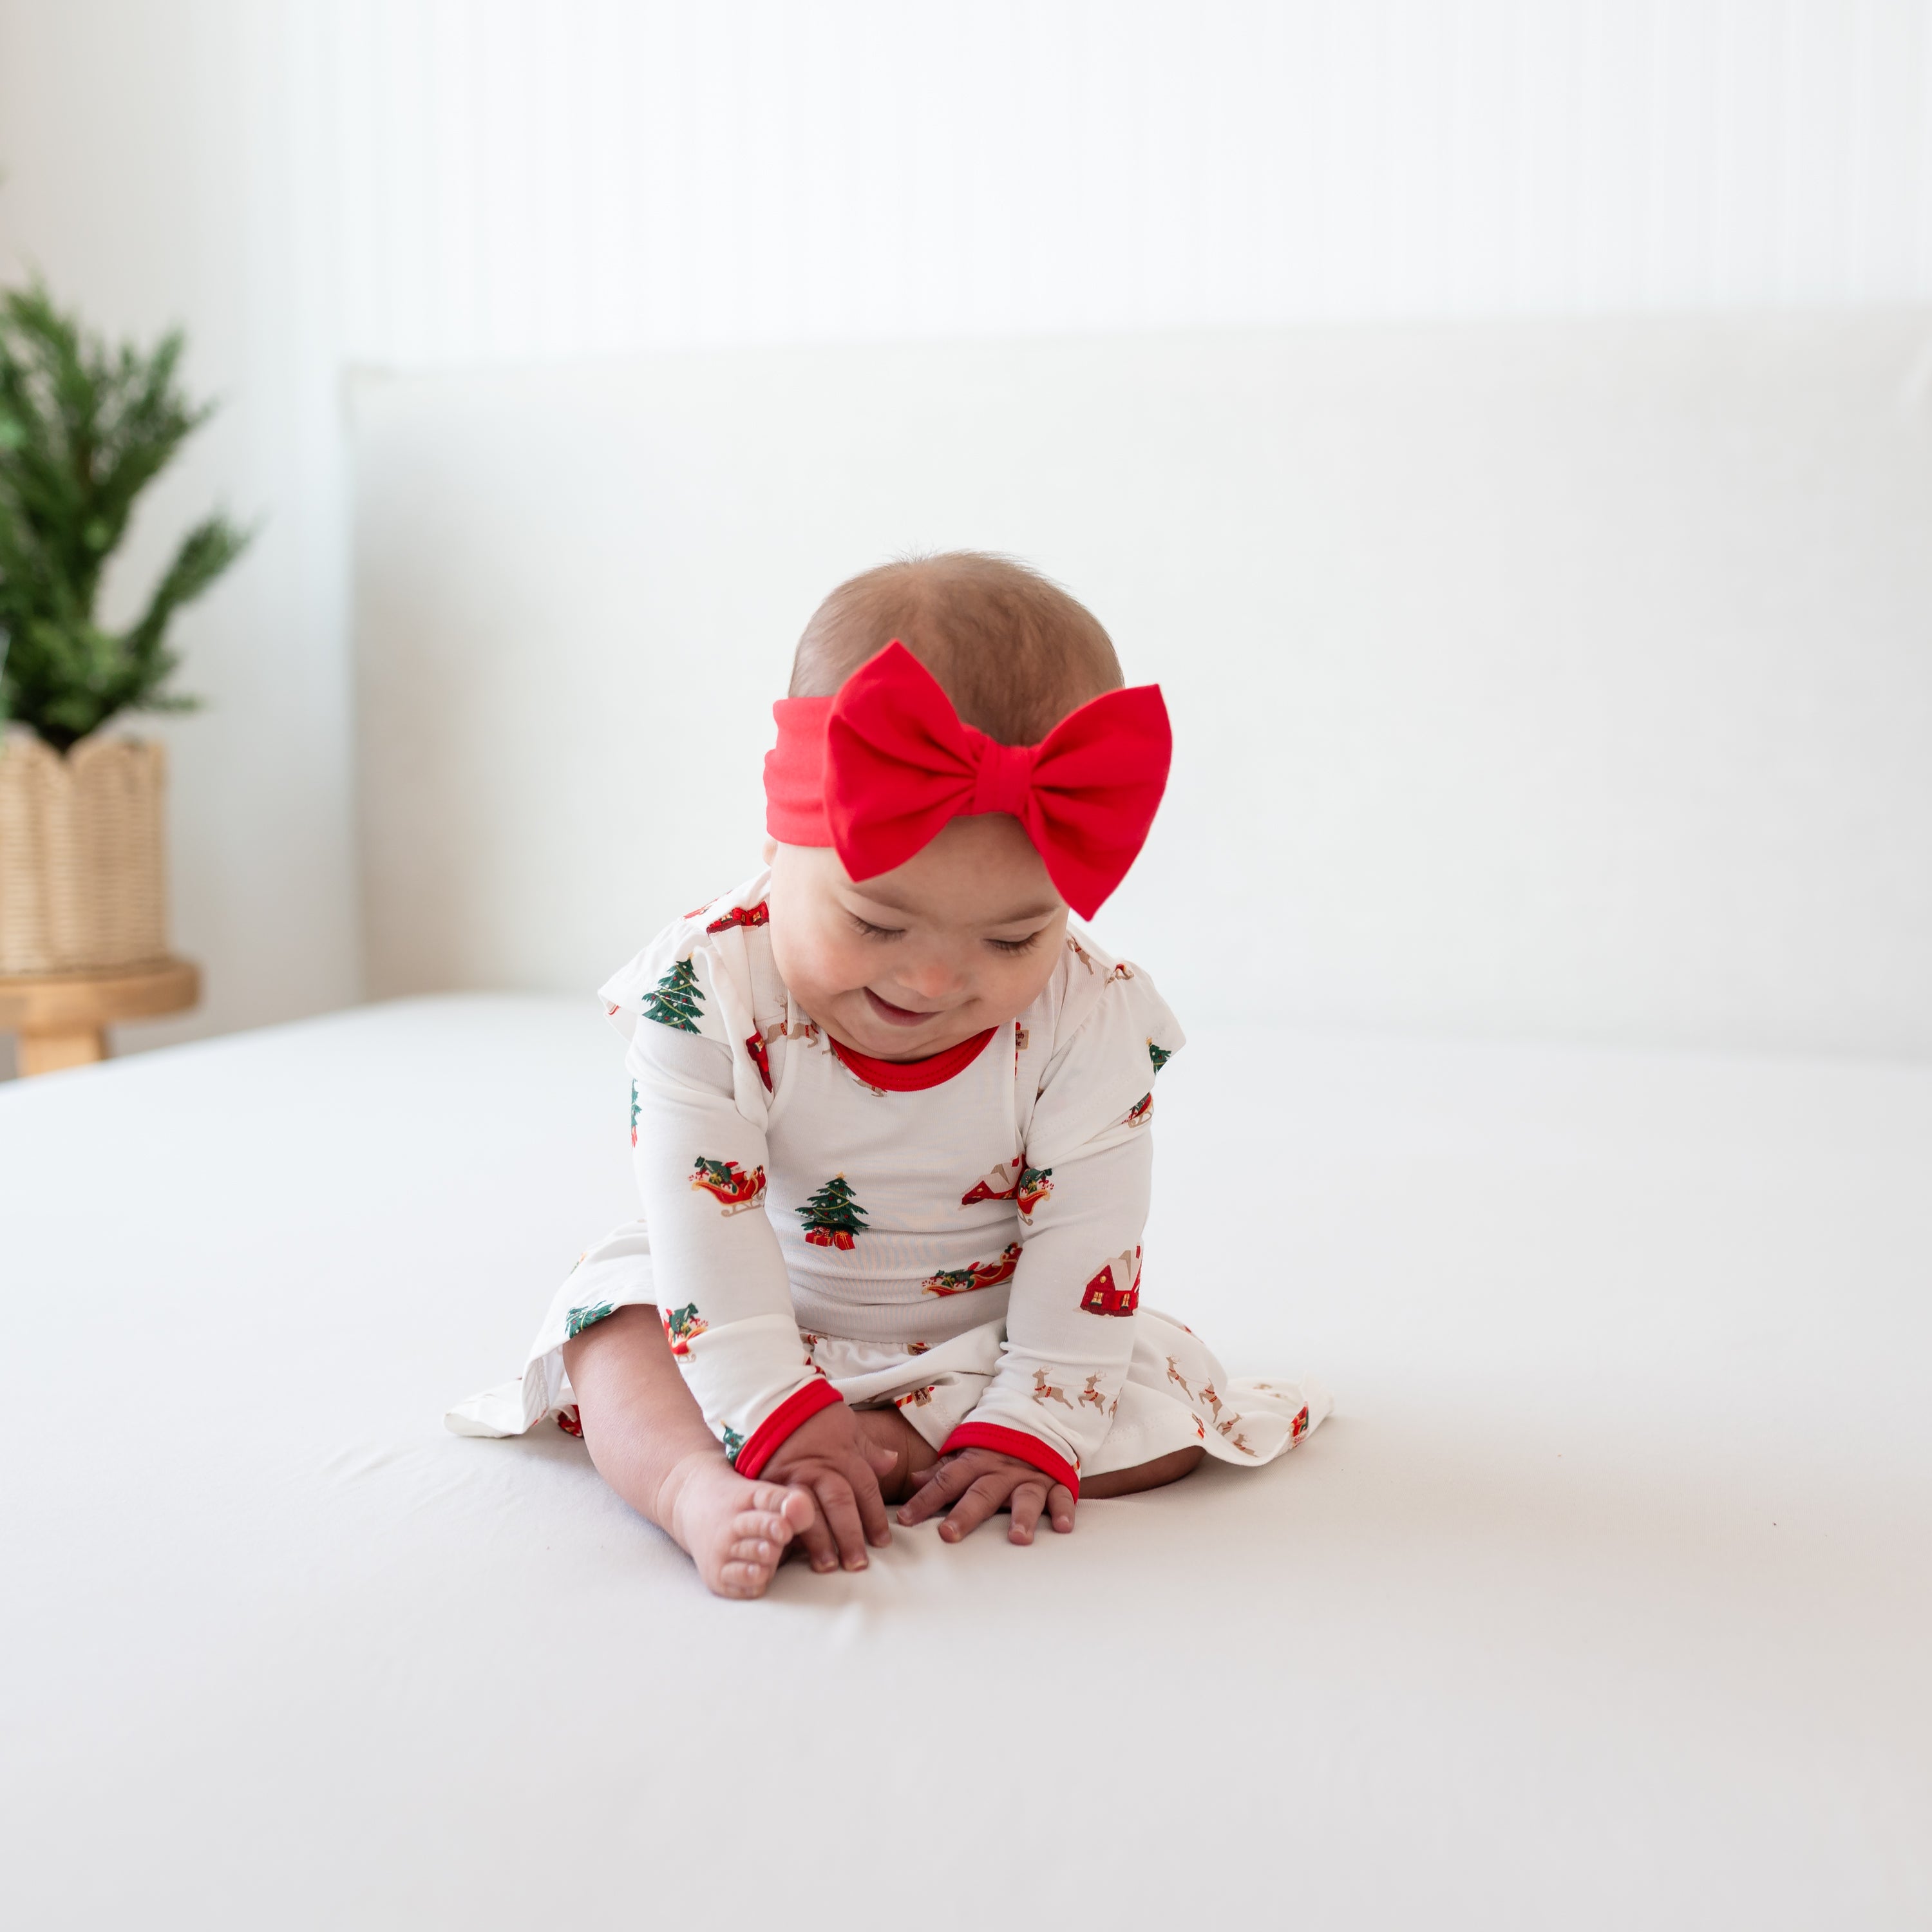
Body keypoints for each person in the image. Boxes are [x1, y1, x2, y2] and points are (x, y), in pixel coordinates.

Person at [447, 552, 1325, 1598]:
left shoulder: (1090, 1016)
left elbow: (1087, 1238)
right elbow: (706, 1225)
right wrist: (772, 1403)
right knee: (612, 1326)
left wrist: (1034, 1415)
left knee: (1165, 1409)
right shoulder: (709, 991)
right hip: (742, 1305)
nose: (937, 978)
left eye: (1014, 939)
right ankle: (695, 1486)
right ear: (781, 842)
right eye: (876, 921)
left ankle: (890, 1450)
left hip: (981, 1336)